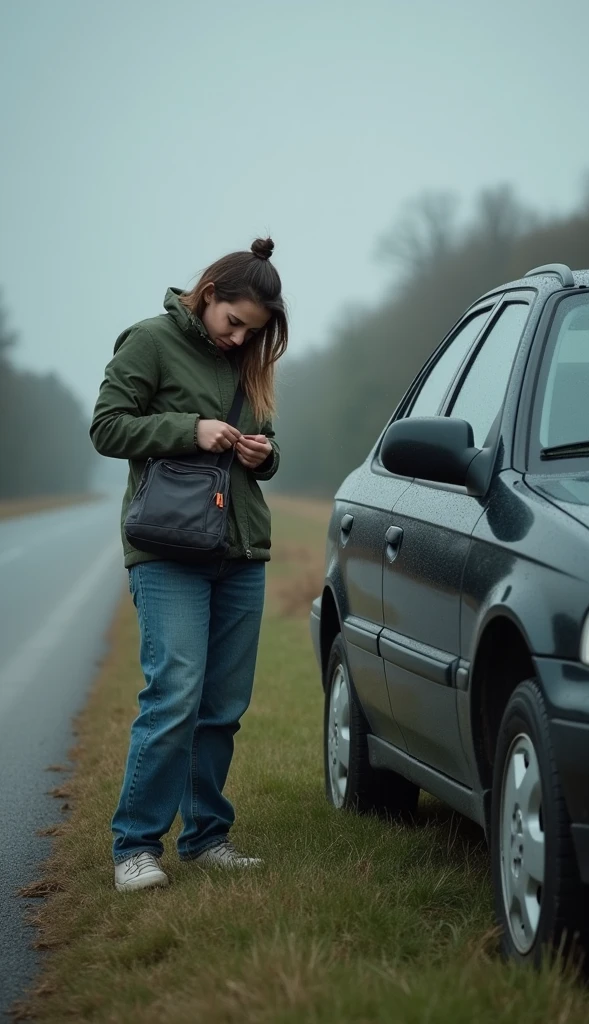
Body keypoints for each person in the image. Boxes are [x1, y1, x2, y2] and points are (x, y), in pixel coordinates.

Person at [90, 238, 287, 892]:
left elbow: (267, 445)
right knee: (173, 692)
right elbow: (108, 428)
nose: (238, 340)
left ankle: (206, 838)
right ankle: (135, 847)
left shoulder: (250, 361)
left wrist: (263, 455)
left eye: (252, 332)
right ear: (208, 296)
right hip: (167, 549)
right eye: (234, 323)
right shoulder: (148, 341)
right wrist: (190, 429)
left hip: (240, 550)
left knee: (222, 707)